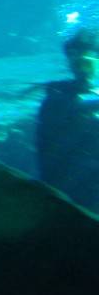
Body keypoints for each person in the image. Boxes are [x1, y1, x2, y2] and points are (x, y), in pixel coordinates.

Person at [36, 28, 99, 208]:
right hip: (72, 189)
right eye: (76, 56)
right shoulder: (58, 98)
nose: (83, 63)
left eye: (90, 56)